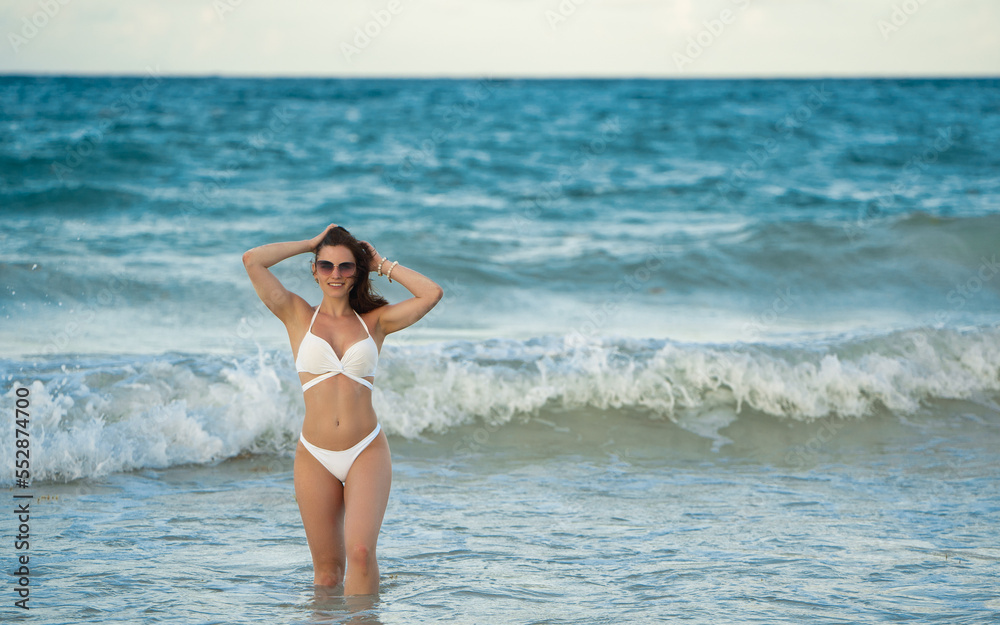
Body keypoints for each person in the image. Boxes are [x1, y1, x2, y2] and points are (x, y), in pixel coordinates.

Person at [242, 224, 443, 594]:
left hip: (365, 448)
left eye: (346, 267)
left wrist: (382, 263)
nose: (336, 274)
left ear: (356, 274)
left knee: (362, 553)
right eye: (326, 266)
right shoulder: (296, 315)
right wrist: (309, 243)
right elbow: (252, 261)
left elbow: (432, 293)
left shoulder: (376, 323)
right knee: (327, 574)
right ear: (315, 270)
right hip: (314, 455)